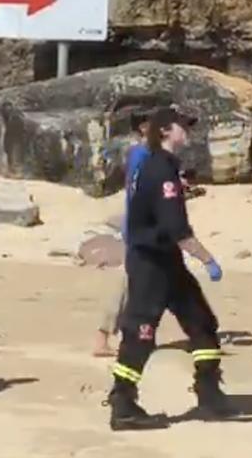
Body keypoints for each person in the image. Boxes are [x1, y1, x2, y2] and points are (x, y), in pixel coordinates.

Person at [106, 106, 233, 430]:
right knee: (141, 332)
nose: (187, 132)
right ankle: (122, 403)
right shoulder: (160, 169)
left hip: (166, 260)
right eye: (182, 126)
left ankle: (209, 390)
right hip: (151, 261)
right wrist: (207, 258)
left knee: (202, 322)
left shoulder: (158, 164)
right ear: (165, 131)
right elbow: (176, 228)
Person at [93, 109, 151, 358]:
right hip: (143, 228)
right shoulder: (142, 155)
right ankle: (103, 336)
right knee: (128, 282)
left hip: (146, 226)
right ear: (145, 128)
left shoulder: (143, 154)